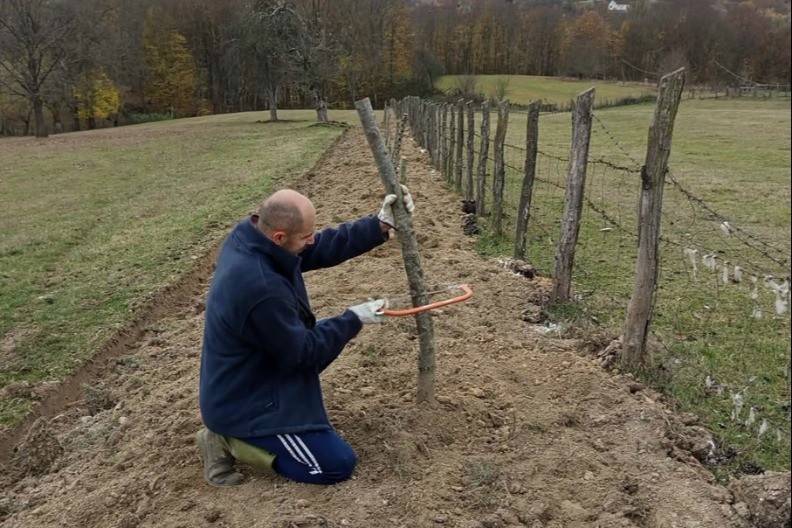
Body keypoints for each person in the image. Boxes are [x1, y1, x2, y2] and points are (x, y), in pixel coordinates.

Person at [196, 186, 414, 487]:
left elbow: (315, 248)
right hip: (246, 401)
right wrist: (352, 319)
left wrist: (378, 225)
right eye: (305, 236)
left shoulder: (251, 238)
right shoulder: (259, 288)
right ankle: (226, 440)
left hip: (256, 371)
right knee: (335, 465)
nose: (312, 240)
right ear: (280, 237)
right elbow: (304, 356)